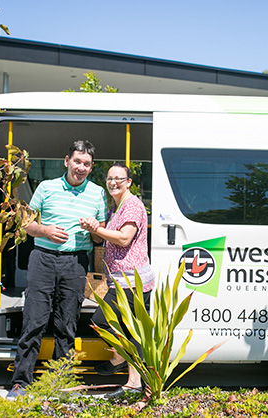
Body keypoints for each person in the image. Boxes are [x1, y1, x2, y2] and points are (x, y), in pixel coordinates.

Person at [7, 140, 107, 398]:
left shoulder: (97, 193)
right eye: (77, 162)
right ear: (66, 161)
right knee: (34, 321)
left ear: (91, 167)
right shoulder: (46, 187)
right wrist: (45, 231)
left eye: (86, 164)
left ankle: (61, 384)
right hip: (42, 258)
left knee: (67, 325)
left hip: (75, 263)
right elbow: (25, 223)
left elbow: (100, 239)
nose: (81, 168)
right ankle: (21, 382)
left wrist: (95, 228)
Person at [79, 162, 155, 398]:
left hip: (133, 282)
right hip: (119, 281)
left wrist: (97, 229)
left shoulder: (132, 205)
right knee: (120, 327)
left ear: (129, 182)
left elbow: (123, 238)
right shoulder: (116, 206)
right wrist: (94, 228)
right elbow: (104, 238)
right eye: (110, 178)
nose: (113, 182)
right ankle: (128, 373)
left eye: (119, 179)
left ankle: (125, 368)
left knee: (111, 324)